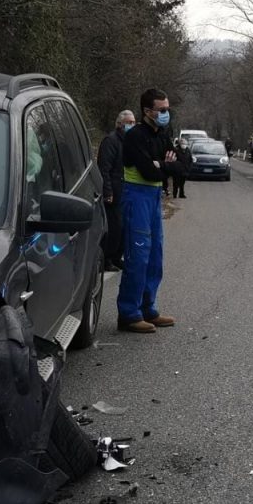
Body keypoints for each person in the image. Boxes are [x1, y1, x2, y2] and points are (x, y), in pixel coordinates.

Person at [116, 88, 177, 334]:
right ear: (147, 111)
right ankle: (129, 314)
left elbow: (184, 165)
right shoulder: (135, 137)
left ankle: (148, 308)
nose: (165, 113)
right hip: (136, 197)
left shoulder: (163, 134)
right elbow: (147, 172)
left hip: (153, 198)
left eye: (167, 109)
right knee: (138, 256)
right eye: (161, 110)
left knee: (155, 256)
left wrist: (161, 165)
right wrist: (167, 166)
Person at [98, 109, 135, 271]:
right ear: (120, 124)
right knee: (115, 227)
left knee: (125, 226)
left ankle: (117, 256)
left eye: (134, 122)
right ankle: (106, 258)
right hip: (114, 189)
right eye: (129, 123)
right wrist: (108, 192)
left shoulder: (130, 141)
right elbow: (104, 168)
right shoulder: (111, 141)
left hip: (127, 190)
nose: (132, 125)